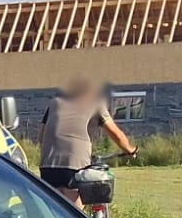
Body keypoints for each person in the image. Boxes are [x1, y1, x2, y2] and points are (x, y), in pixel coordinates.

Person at [38, 76, 136, 206]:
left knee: (53, 210)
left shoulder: (54, 102)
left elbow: (41, 137)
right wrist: (130, 150)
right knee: (75, 215)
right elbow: (116, 134)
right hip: (75, 165)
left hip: (48, 165)